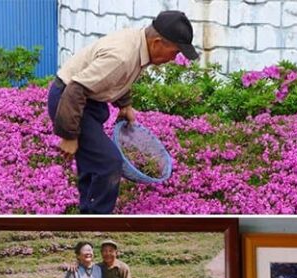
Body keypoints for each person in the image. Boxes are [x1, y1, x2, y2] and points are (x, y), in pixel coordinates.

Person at [47, 10, 199, 213]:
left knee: (94, 162)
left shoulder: (139, 43)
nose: (174, 58)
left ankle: (87, 212)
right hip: (70, 100)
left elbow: (117, 78)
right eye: (175, 52)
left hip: (87, 100)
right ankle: (98, 219)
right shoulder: (122, 56)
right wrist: (69, 135)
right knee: (109, 163)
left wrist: (125, 105)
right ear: (157, 43)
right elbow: (76, 89)